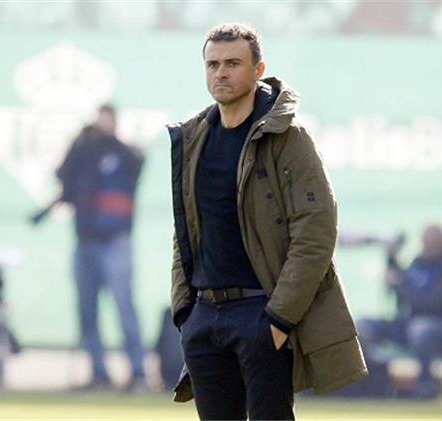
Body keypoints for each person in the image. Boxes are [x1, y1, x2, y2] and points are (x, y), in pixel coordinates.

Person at [167, 23, 367, 419]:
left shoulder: (289, 138)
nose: (221, 73)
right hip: (204, 318)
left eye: (233, 63)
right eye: (213, 64)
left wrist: (277, 319)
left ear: (258, 70)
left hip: (261, 314)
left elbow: (315, 232)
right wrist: (185, 313)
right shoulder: (193, 138)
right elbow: (185, 230)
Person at [56, 104, 146, 391]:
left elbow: (137, 162)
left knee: (124, 309)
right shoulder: (84, 153)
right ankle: (98, 373)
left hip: (116, 241)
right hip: (85, 242)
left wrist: (109, 139)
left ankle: (138, 373)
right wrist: (79, 142)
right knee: (87, 312)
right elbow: (63, 176)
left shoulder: (124, 154)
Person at [357, 223, 442, 399]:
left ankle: (426, 384)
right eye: (426, 242)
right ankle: (373, 382)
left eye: (433, 242)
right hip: (409, 325)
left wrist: (399, 285)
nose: (428, 247)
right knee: (364, 325)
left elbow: (433, 303)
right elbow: (404, 293)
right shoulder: (419, 263)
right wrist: (392, 258)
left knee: (421, 329)